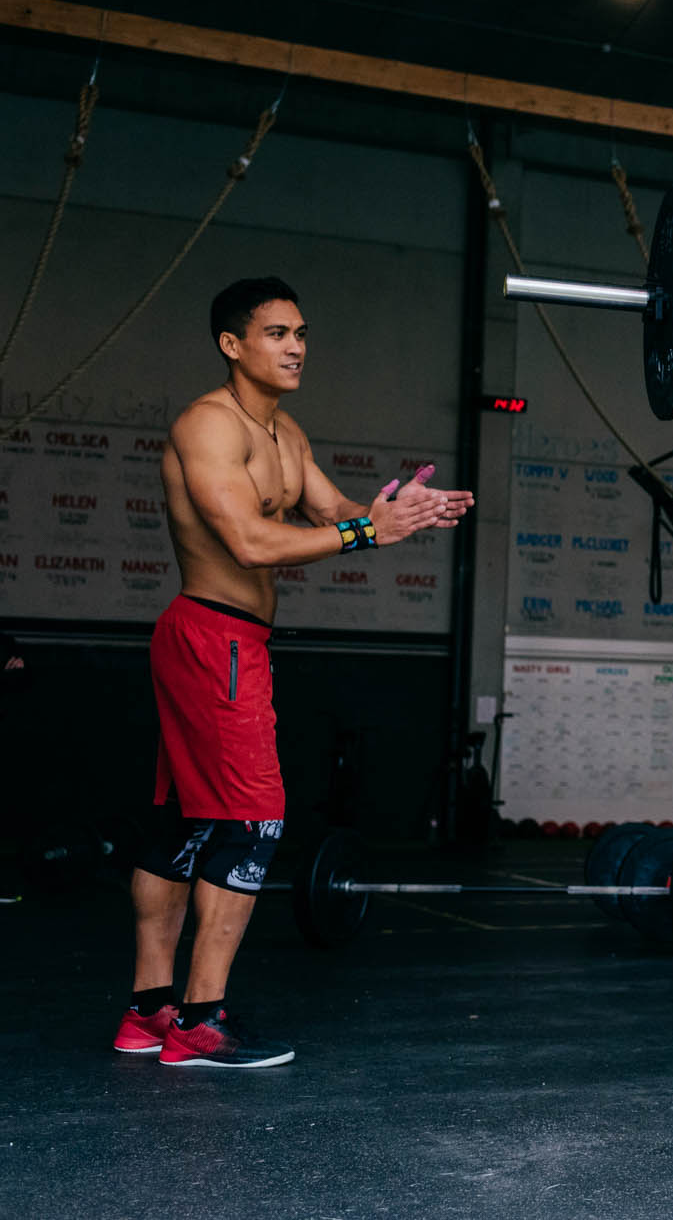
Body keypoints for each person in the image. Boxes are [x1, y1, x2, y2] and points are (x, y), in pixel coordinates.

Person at [113, 276, 472, 1069]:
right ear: (231, 344)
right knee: (251, 820)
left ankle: (147, 1013)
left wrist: (402, 516)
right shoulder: (208, 425)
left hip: (231, 643)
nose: (296, 345)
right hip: (213, 639)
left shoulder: (286, 434)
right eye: (276, 333)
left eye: (301, 331)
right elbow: (248, 541)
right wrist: (365, 535)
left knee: (186, 825)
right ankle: (200, 1023)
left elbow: (336, 513)